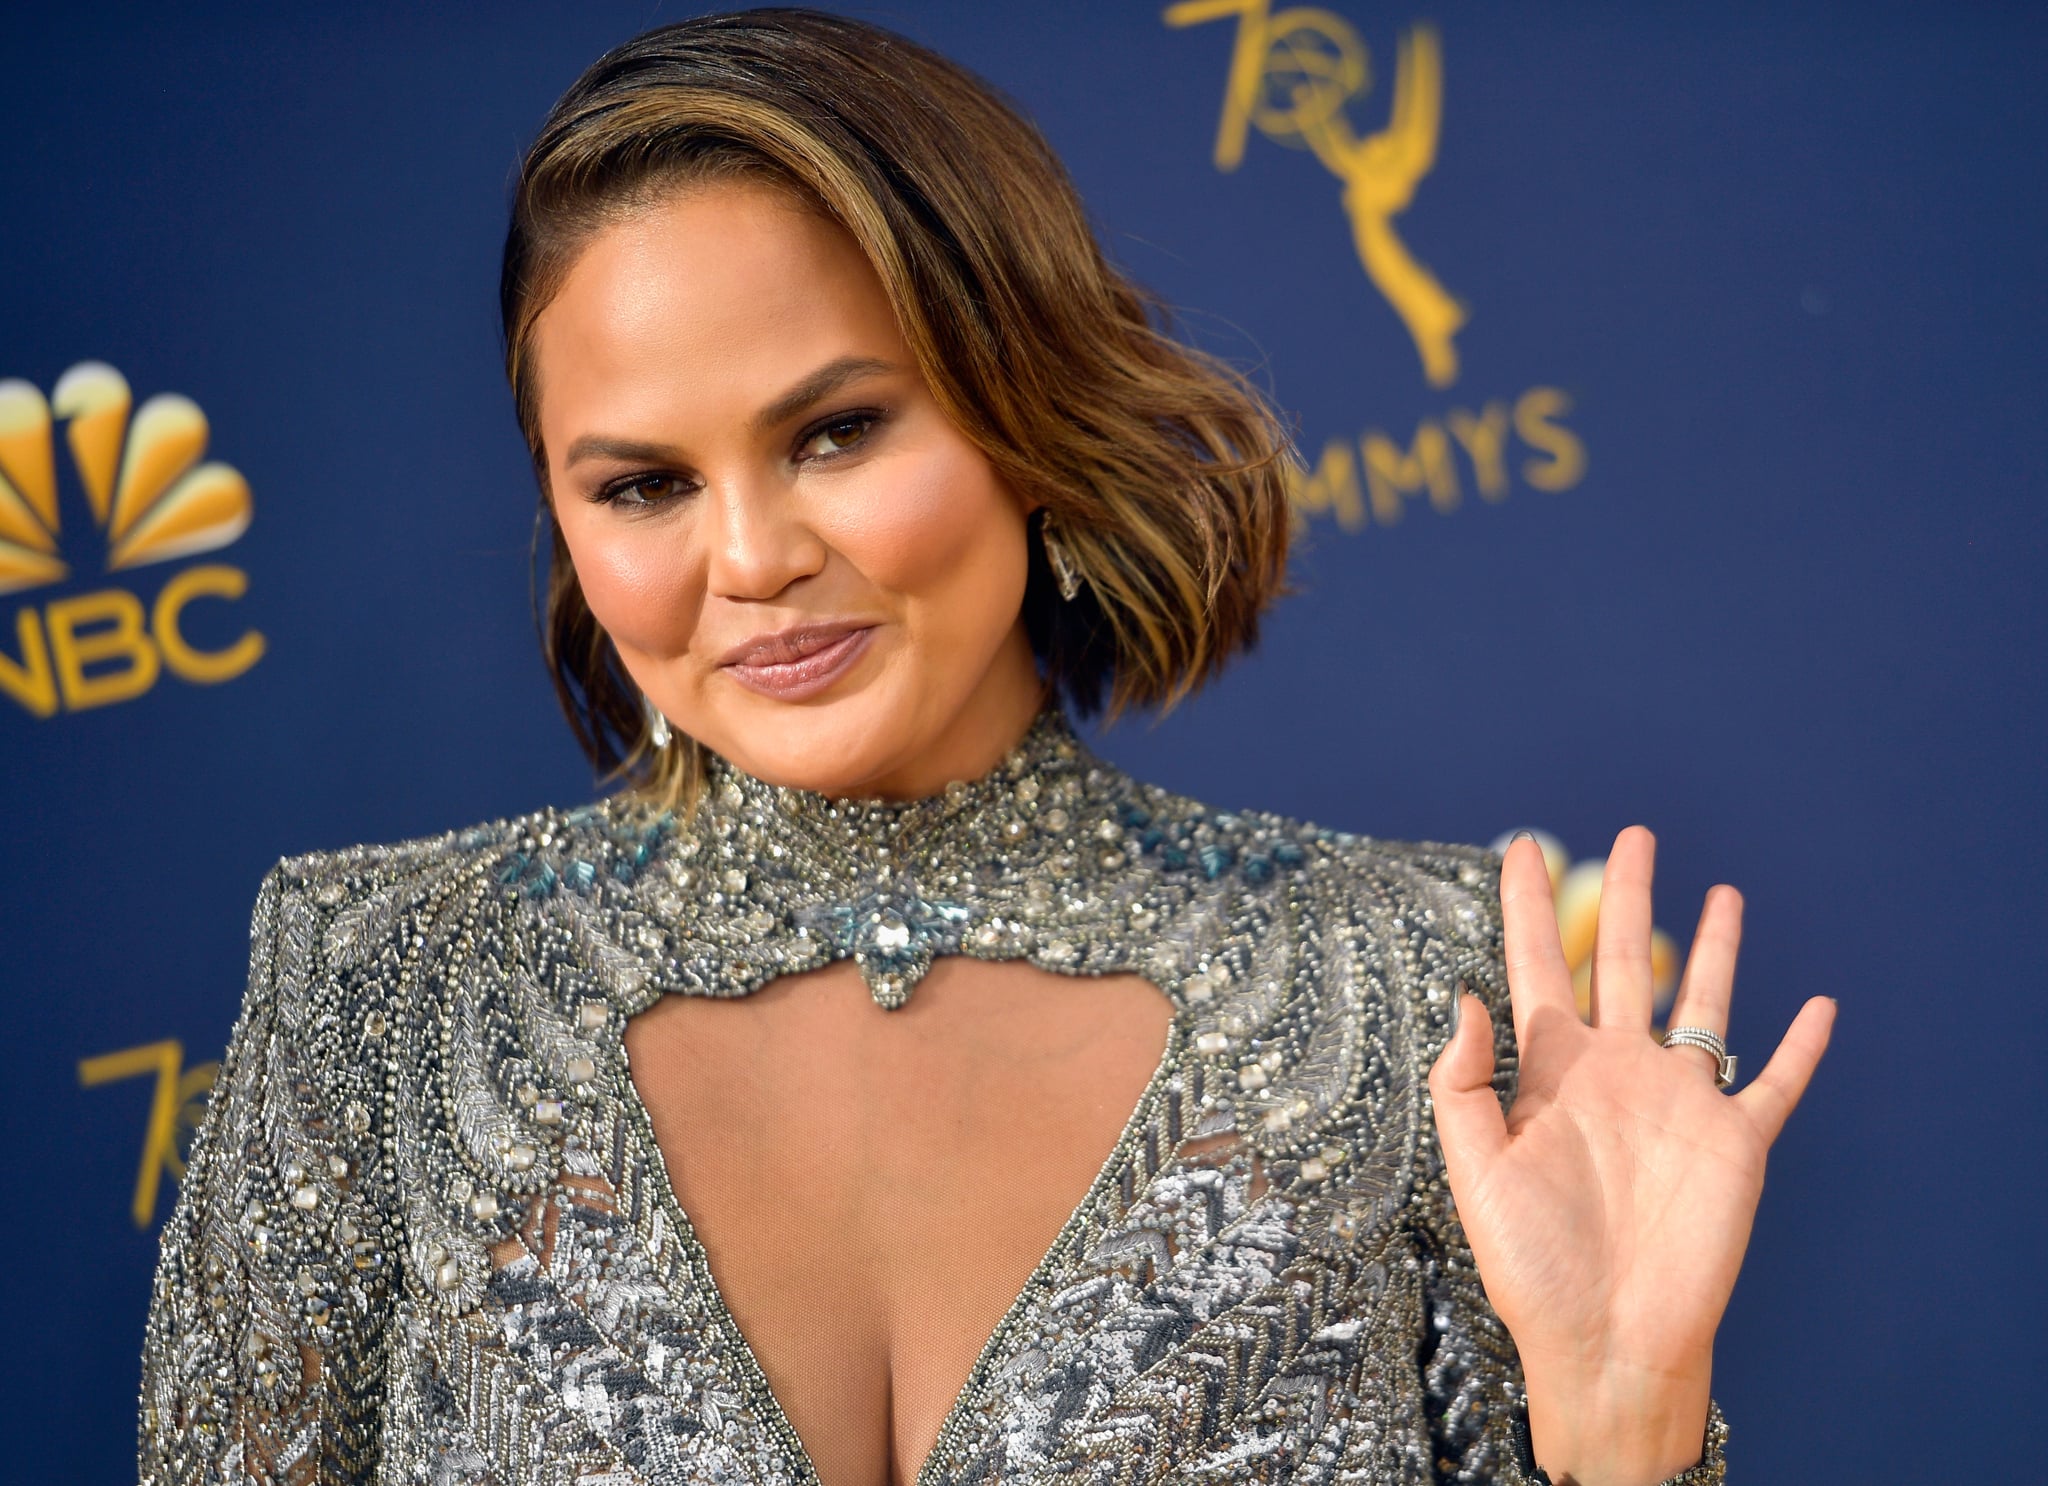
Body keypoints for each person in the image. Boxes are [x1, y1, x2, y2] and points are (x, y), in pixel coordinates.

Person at [137, 10, 1833, 1485]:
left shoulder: (1412, 995)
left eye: (837, 429)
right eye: (643, 482)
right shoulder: (380, 987)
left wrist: (1629, 1427)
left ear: (1026, 406)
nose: (748, 557)